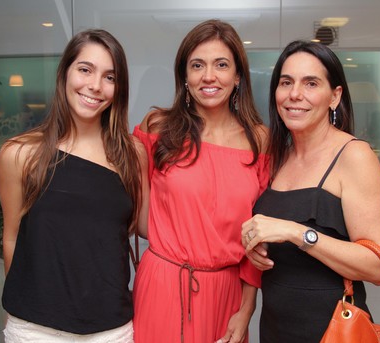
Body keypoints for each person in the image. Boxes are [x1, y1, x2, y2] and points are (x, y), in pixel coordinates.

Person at [0, 29, 148, 342]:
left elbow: (142, 226)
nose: (95, 85)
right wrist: (26, 311)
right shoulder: (20, 154)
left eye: (110, 76)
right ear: (65, 72)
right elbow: (10, 238)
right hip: (35, 330)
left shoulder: (133, 154)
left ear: (119, 88)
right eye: (85, 70)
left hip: (111, 329)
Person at [241, 40, 380, 343]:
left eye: (311, 83)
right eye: (286, 82)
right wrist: (257, 248)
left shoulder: (354, 156)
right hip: (275, 329)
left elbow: (378, 267)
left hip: (332, 331)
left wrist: (297, 233)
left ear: (334, 96)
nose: (295, 94)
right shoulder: (280, 157)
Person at [132, 19, 268, 343]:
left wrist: (246, 308)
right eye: (197, 65)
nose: (209, 76)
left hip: (227, 291)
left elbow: (260, 235)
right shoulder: (156, 128)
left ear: (237, 77)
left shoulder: (259, 140)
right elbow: (136, 215)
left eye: (221, 64)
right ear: (185, 76)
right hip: (163, 283)